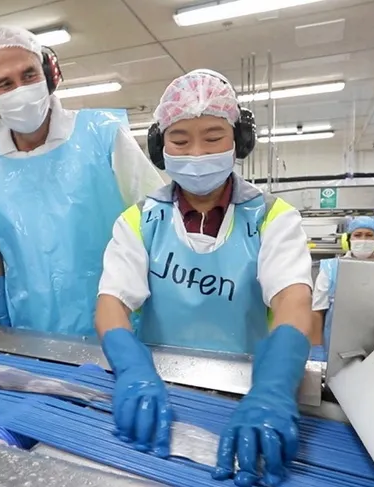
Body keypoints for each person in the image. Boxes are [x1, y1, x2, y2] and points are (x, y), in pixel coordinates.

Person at [94, 70, 314, 487]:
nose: (196, 153)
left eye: (213, 138)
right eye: (180, 140)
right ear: (161, 147)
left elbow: (292, 301)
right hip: (161, 386)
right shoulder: (140, 220)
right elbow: (112, 302)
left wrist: (275, 387)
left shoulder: (273, 218)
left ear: (239, 141)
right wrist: (132, 369)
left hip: (248, 387)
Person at [0, 26, 163, 335]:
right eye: (3, 83)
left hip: (120, 320)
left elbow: (157, 216)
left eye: (29, 75)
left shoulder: (103, 134)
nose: (20, 90)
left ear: (49, 74)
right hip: (29, 326)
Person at [309, 216, 374, 361]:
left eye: (369, 236)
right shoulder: (331, 268)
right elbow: (317, 312)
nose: (363, 240)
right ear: (348, 240)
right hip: (335, 348)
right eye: (358, 235)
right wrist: (316, 348)